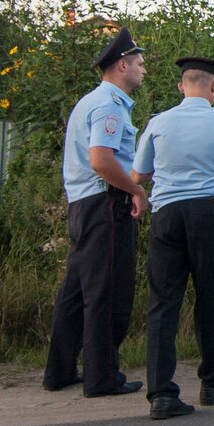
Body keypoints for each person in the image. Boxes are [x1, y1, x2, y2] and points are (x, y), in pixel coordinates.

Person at [132, 57, 214, 420]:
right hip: (208, 215)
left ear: (181, 87)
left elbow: (138, 175)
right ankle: (212, 381)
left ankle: (160, 393)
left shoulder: (157, 123)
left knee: (162, 302)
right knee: (209, 298)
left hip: (167, 215)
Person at [42, 27, 148, 397]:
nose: (143, 70)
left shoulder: (90, 101)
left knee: (75, 291)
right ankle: (102, 376)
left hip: (84, 204)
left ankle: (59, 370)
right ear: (122, 65)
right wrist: (135, 189)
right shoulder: (109, 105)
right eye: (139, 63)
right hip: (105, 205)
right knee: (107, 291)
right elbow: (102, 160)